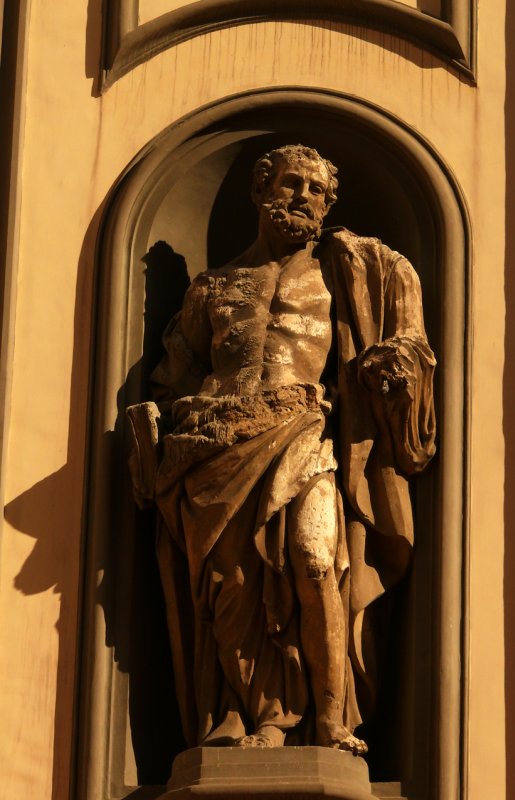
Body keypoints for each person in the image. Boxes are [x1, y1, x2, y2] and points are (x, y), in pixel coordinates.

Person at [127, 144, 436, 756]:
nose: (303, 198)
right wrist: (156, 426)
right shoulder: (213, 289)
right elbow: (174, 376)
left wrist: (393, 367)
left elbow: (411, 344)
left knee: (316, 560)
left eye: (316, 191)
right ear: (259, 190)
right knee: (235, 589)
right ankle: (260, 717)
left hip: (303, 433)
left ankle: (329, 718)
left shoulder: (344, 277)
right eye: (291, 184)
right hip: (216, 453)